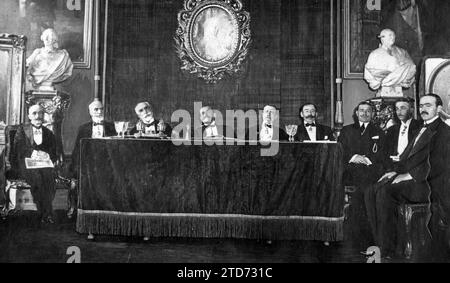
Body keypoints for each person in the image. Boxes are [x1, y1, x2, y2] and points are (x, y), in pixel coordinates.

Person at [365, 94, 450, 260]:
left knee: (386, 192)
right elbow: (406, 157)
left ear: (439, 109)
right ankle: (380, 243)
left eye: (428, 106)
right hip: (415, 180)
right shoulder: (422, 128)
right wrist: (395, 171)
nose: (423, 109)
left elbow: (439, 164)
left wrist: (408, 175)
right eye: (421, 106)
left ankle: (387, 248)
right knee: (371, 190)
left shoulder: (444, 132)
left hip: (429, 185)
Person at [13, 104, 57, 223]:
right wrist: (34, 153)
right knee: (37, 177)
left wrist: (47, 155)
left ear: (43, 115)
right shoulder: (22, 130)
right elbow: (18, 149)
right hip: (26, 163)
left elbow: (54, 151)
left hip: (43, 164)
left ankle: (46, 212)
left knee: (50, 178)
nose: (38, 116)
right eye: (34, 113)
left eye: (40, 113)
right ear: (29, 116)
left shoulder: (48, 132)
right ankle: (43, 212)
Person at [338, 101, 386, 187]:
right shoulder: (346, 130)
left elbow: (383, 153)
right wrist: (354, 157)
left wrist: (366, 160)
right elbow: (340, 150)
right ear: (357, 113)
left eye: (368, 111)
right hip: (350, 169)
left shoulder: (379, 132)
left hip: (371, 169)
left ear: (372, 113)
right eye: (361, 110)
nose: (364, 113)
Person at [364, 29, 416, 97]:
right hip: (383, 86)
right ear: (382, 38)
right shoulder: (374, 54)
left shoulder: (402, 52)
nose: (392, 37)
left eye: (393, 35)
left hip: (398, 88)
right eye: (390, 35)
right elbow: (369, 72)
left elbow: (411, 67)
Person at [383, 97, 422, 169]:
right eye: (397, 109)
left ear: (411, 109)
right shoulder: (392, 130)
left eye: (403, 108)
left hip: (412, 167)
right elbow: (385, 153)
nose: (399, 112)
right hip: (393, 167)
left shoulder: (419, 127)